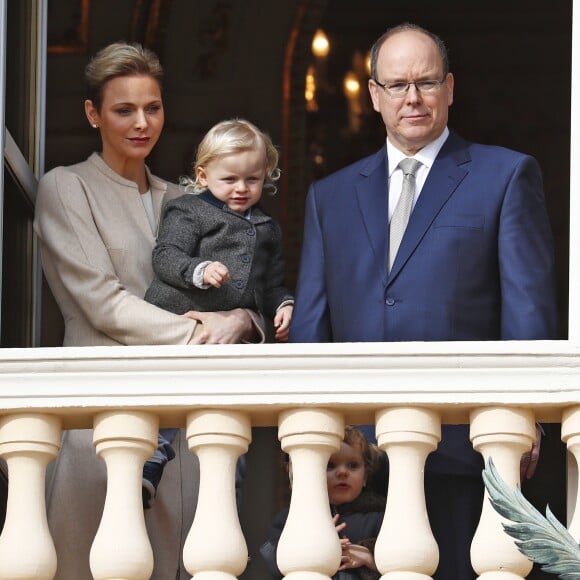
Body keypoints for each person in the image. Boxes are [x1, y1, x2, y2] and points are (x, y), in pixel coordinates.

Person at [289, 22, 559, 579]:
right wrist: (308, 441)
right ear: (374, 96)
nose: (412, 98)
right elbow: (313, 327)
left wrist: (527, 415)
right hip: (355, 466)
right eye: (396, 85)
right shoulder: (330, 196)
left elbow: (528, 311)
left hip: (463, 451)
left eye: (426, 82)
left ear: (451, 88)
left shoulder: (504, 175)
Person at [33, 41, 265, 579]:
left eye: (153, 107)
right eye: (123, 110)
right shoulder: (67, 188)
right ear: (93, 114)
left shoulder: (187, 200)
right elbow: (102, 303)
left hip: (186, 435)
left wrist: (245, 322)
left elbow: (243, 291)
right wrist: (207, 333)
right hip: (101, 422)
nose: (142, 122)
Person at [143, 117, 294, 503]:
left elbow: (272, 283)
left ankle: (231, 489)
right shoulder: (188, 211)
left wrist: (284, 305)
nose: (242, 189)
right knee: (166, 396)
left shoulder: (267, 228)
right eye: (230, 179)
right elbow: (165, 256)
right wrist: (198, 270)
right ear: (203, 174)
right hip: (183, 323)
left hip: (229, 344)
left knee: (228, 419)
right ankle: (150, 462)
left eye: (253, 180)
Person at [260, 426, 385, 579]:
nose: (342, 472)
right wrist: (313, 548)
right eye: (330, 465)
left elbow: (404, 559)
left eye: (353, 465)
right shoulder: (294, 517)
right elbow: (271, 557)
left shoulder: (379, 518)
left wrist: (370, 558)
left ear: (365, 476)